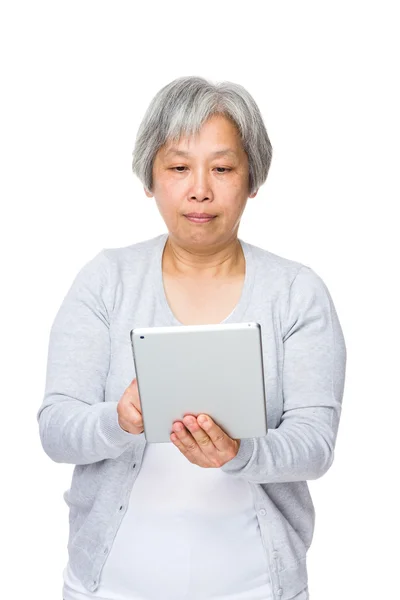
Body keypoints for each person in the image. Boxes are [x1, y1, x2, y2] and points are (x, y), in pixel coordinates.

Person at [37, 75, 347, 600]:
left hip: (257, 587)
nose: (200, 188)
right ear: (150, 178)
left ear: (252, 179)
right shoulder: (106, 281)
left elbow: (315, 445)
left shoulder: (297, 293)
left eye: (223, 168)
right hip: (109, 587)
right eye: (179, 167)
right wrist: (120, 419)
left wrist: (239, 452)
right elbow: (55, 428)